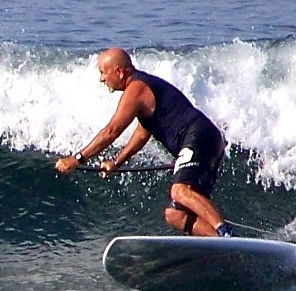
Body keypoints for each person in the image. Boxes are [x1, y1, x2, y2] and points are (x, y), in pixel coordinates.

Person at [55, 47, 232, 237]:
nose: (101, 79)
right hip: (206, 140)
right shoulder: (143, 92)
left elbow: (111, 131)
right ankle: (226, 245)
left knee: (179, 191)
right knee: (175, 215)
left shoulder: (137, 88)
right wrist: (117, 162)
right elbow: (141, 134)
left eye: (103, 72)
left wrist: (78, 158)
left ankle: (225, 233)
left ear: (120, 72)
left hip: (200, 137)